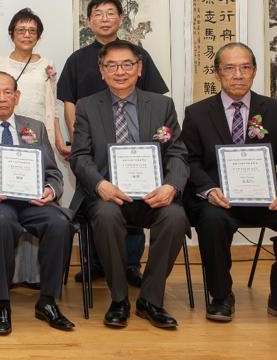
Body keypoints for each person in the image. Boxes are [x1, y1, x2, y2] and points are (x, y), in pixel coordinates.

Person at [183, 42, 277, 328]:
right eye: (229, 68)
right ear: (217, 73)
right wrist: (208, 190)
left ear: (254, 72)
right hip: (220, 200)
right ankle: (221, 297)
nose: (238, 75)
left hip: (267, 199)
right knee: (211, 220)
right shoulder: (197, 113)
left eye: (245, 67)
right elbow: (189, 162)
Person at [70, 40, 189, 330]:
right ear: (101, 71)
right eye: (111, 65)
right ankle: (119, 298)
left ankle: (150, 299)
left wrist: (171, 186)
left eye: (127, 65)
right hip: (108, 195)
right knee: (107, 216)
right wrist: (99, 185)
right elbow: (80, 156)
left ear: (139, 69)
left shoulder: (162, 105)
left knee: (175, 217)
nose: (119, 71)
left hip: (152, 194)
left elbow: (177, 152)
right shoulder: (87, 106)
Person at [59, 0, 167, 286]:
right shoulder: (78, 59)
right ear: (88, 21)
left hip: (136, 152)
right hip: (94, 146)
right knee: (100, 202)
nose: (105, 18)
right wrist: (76, 138)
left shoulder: (137, 54)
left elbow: (156, 99)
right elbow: (69, 101)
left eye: (111, 13)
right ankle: (96, 263)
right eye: (98, 13)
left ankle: (130, 265)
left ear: (121, 18)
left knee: (134, 200)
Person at [0, 71, 74, 335]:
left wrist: (50, 190)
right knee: (3, 221)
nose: (2, 98)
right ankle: (2, 303)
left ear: (17, 96)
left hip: (32, 202)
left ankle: (48, 301)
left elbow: (53, 173)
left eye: (8, 92)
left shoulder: (34, 127)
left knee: (60, 222)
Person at [0, 8, 67, 290]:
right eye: (21, 30)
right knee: (4, 217)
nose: (27, 35)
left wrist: (55, 141)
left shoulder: (47, 65)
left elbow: (52, 105)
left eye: (32, 31)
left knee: (52, 215)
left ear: (39, 36)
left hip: (32, 134)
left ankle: (43, 289)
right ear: (11, 34)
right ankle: (7, 288)